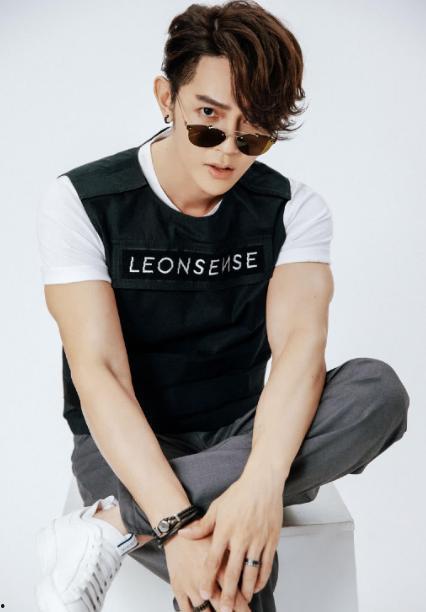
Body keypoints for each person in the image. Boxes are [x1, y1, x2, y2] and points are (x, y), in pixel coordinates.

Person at [35, 1, 410, 611]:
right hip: (127, 444)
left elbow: (299, 354)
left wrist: (259, 487)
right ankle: (141, 507)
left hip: (245, 428)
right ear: (167, 98)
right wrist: (176, 521)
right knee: (231, 581)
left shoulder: (293, 208)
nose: (228, 150)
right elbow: (99, 375)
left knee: (378, 393)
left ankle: (110, 525)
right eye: (208, 118)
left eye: (253, 132)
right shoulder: (83, 201)